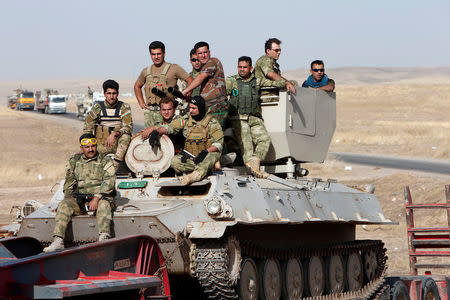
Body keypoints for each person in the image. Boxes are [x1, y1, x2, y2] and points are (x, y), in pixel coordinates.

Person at [43, 133, 116, 252]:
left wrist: (97, 198)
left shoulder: (105, 160)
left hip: (101, 199)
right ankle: (58, 241)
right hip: (81, 200)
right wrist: (68, 196)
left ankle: (104, 238)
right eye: (87, 147)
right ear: (82, 148)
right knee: (64, 205)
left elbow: (109, 181)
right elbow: (69, 181)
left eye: (93, 146)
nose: (91, 149)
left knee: (104, 205)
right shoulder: (74, 161)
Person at [149, 96, 223, 185]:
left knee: (212, 156)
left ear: (201, 108)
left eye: (193, 108)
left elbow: (219, 144)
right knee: (174, 162)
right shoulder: (186, 120)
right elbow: (170, 127)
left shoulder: (212, 123)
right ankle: (206, 168)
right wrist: (156, 131)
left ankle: (194, 176)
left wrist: (206, 151)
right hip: (192, 158)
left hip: (206, 155)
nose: (190, 110)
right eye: (190, 108)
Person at [226, 56, 270, 178]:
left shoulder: (258, 80)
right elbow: (221, 92)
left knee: (265, 139)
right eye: (240, 67)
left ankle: (255, 161)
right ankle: (255, 172)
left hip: (254, 118)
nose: (242, 69)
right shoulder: (231, 81)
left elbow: (274, 83)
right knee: (247, 144)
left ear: (250, 68)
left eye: (245, 67)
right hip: (238, 118)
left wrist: (288, 82)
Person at [134, 41, 192, 127]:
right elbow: (137, 86)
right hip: (150, 113)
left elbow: (190, 80)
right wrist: (141, 102)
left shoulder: (174, 68)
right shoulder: (146, 71)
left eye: (159, 54)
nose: (156, 57)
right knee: (149, 138)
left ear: (164, 54)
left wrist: (186, 96)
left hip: (167, 113)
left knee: (168, 139)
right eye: (153, 54)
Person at [83, 80, 132, 170]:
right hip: (102, 144)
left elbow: (128, 127)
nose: (111, 97)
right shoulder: (97, 108)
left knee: (126, 136)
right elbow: (87, 127)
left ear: (117, 94)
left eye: (114, 93)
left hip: (119, 144)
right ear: (105, 94)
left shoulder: (124, 107)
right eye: (109, 93)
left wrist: (114, 134)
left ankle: (115, 166)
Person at [181, 41, 228, 126]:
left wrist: (184, 91)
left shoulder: (212, 62)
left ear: (209, 53)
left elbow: (200, 78)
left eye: (205, 52)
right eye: (200, 53)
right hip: (208, 107)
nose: (203, 55)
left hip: (216, 107)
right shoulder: (201, 69)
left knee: (214, 134)